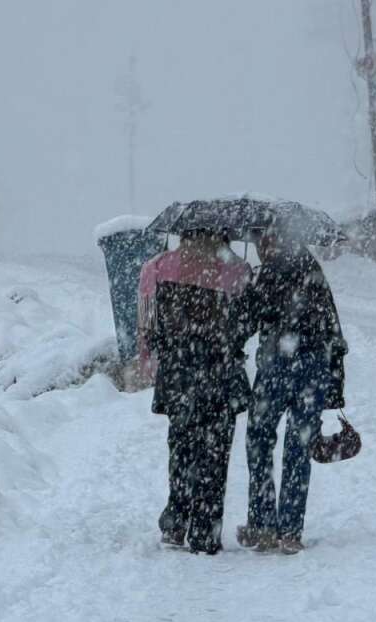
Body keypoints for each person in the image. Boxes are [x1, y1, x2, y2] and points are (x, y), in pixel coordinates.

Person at [137, 228, 251, 554]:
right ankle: (205, 532)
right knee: (215, 456)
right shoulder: (237, 271)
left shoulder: (157, 267)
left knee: (182, 451)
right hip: (221, 377)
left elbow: (147, 325)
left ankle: (175, 524)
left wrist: (153, 359)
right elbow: (245, 325)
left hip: (179, 375)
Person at [236, 223, 348, 554]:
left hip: (275, 367)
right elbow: (333, 328)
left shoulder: (266, 274)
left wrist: (246, 288)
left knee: (259, 441)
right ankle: (290, 531)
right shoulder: (312, 269)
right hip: (313, 369)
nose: (259, 247)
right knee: (299, 447)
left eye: (261, 240)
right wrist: (335, 381)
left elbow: (246, 322)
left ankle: (262, 525)